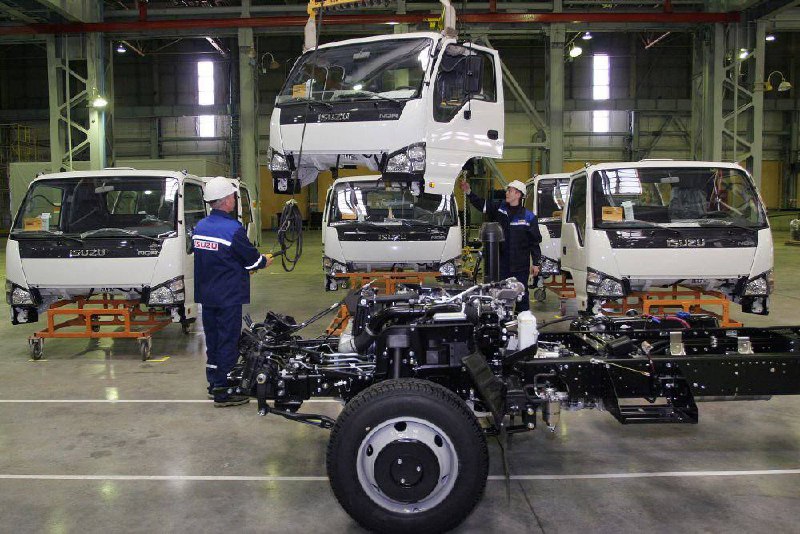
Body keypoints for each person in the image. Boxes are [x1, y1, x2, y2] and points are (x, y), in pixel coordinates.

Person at [193, 177, 273, 407]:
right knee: (228, 342)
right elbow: (252, 260)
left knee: (213, 342)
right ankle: (224, 390)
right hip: (228, 297)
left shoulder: (200, 227)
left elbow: (214, 257)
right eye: (233, 197)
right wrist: (263, 261)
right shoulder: (233, 230)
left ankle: (214, 382)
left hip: (207, 296)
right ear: (227, 200)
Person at [460, 178, 542, 312]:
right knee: (499, 293)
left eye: (510, 191)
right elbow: (482, 205)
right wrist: (469, 192)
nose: (507, 193)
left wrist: (536, 263)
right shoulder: (499, 208)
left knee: (521, 294)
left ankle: (522, 319)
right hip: (501, 263)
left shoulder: (529, 217)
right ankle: (501, 320)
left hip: (520, 265)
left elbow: (534, 242)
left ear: (518, 194)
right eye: (507, 191)